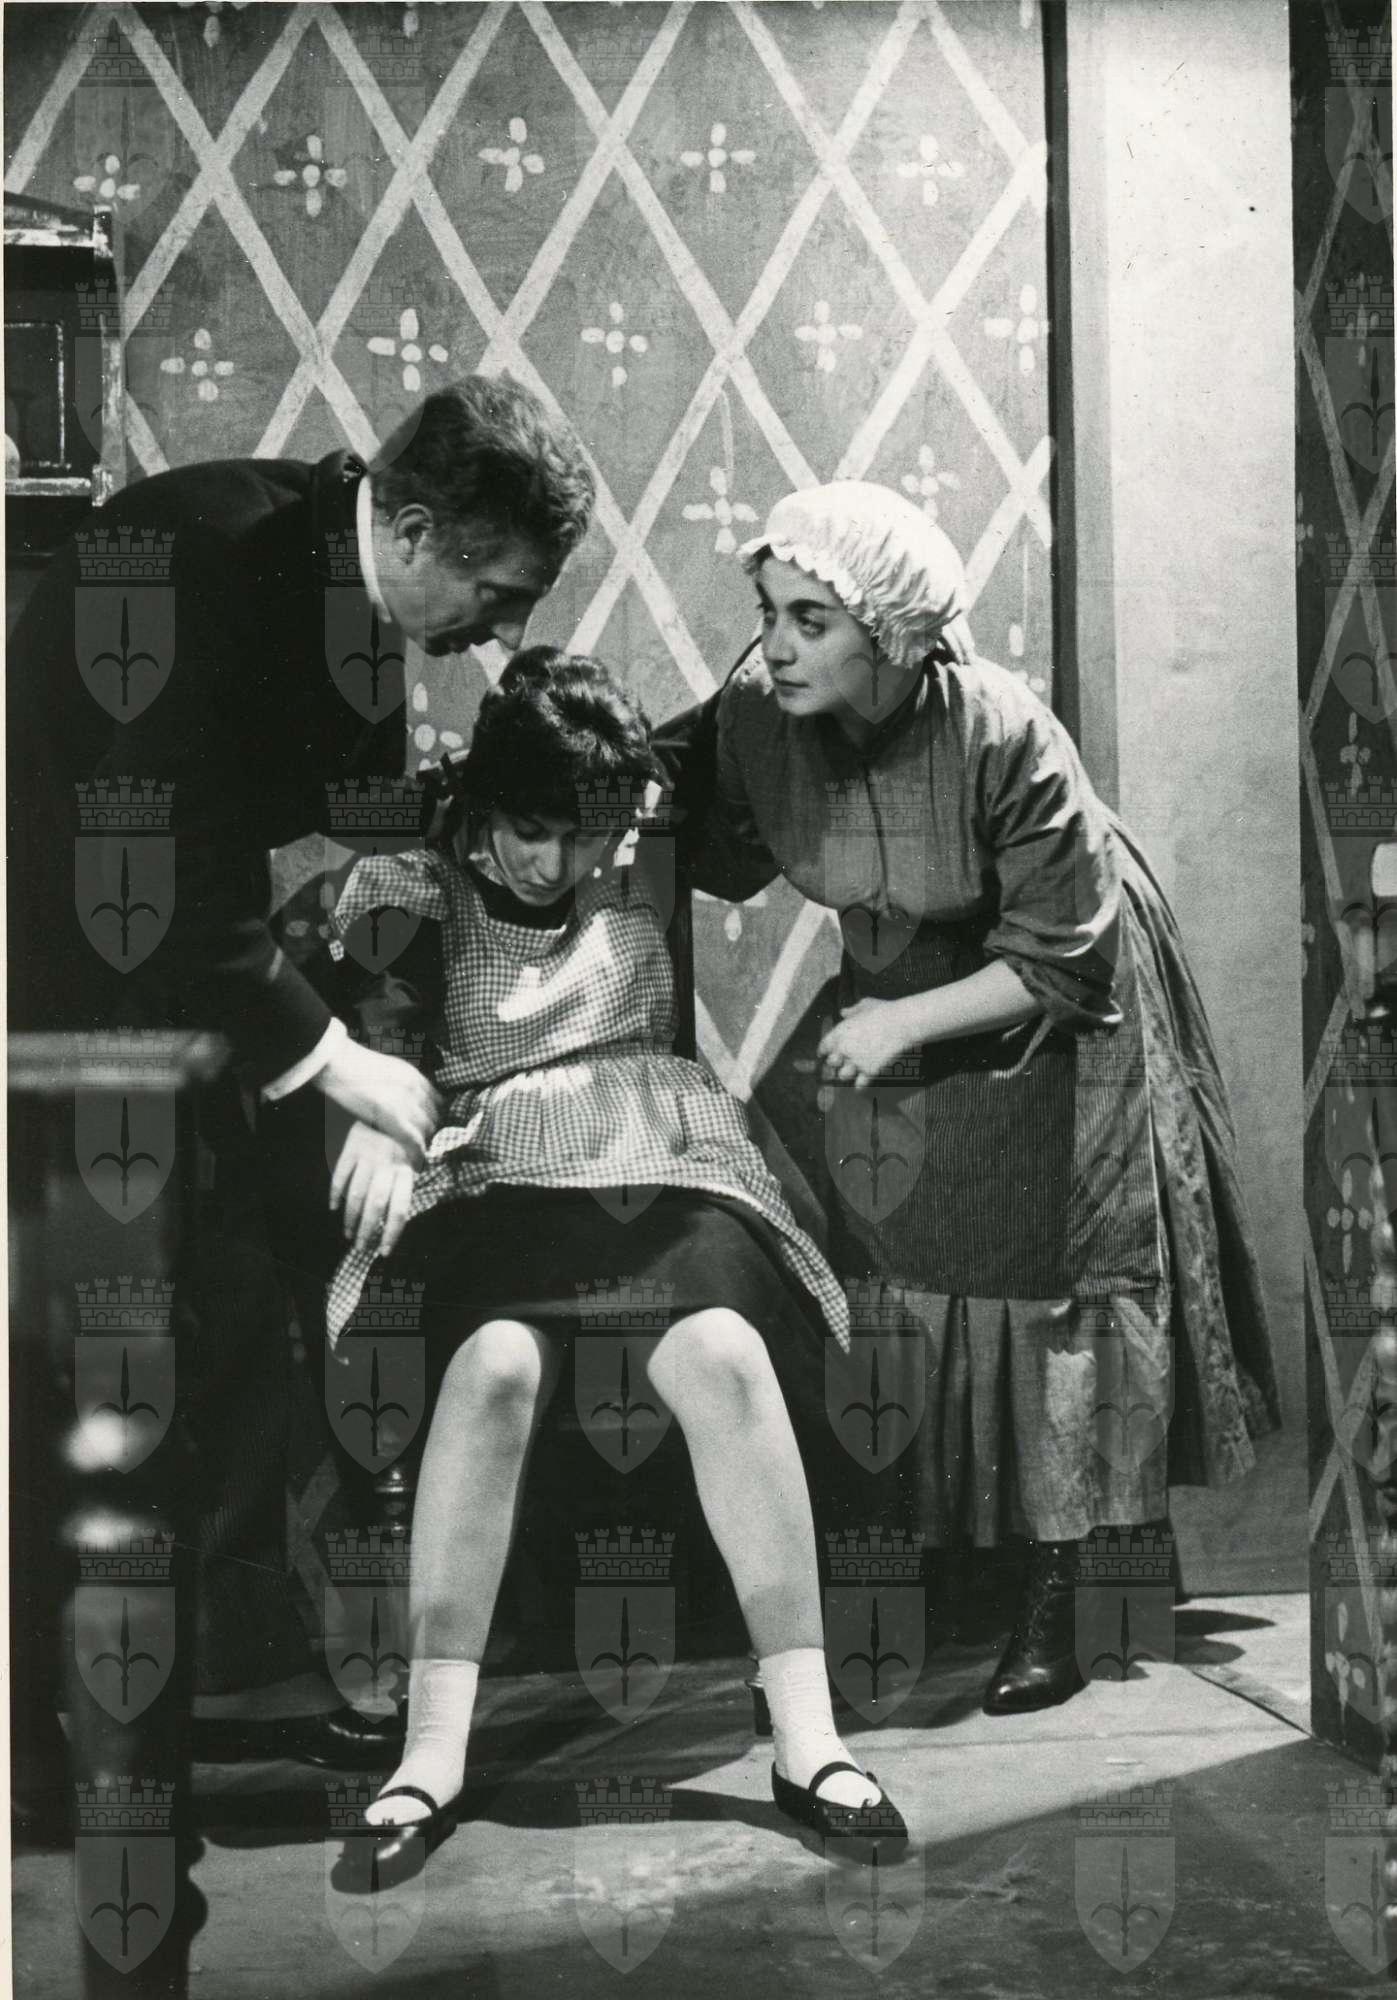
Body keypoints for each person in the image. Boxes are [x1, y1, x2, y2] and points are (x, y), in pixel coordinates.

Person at [8, 374, 594, 1765]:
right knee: (90, 1380)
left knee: (216, 1340)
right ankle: (40, 1750)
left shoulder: (350, 572)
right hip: (54, 1004)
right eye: (498, 595)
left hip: (169, 1004)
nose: (503, 632)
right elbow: (157, 880)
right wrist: (334, 1064)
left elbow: (344, 831)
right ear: (418, 531)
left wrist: (379, 1067)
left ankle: (165, 1712)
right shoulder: (197, 565)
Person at [654, 481, 1282, 1715]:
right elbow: (677, 809)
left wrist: (899, 1023)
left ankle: (1063, 1584)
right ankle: (935, 1560)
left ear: (890, 632)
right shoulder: (758, 709)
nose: (774, 644)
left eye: (810, 621)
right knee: (855, 1228)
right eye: (768, 613)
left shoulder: (1002, 730)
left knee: (1049, 1272)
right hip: (900, 971)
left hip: (1056, 983)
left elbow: (1064, 955)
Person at [321, 646, 907, 1879]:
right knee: (490, 1368)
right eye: (531, 832)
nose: (557, 863)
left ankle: (807, 1736)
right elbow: (381, 1033)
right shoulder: (412, 882)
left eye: (583, 835)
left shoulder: (637, 848)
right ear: (486, 799)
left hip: (660, 1162)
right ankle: (428, 1754)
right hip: (497, 1173)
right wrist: (381, 1112)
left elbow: (742, 703)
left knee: (724, 1351)